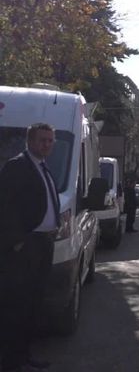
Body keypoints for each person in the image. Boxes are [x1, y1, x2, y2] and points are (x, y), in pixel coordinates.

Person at [0, 123, 59, 372]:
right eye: (42, 140)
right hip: (26, 247)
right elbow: (5, 206)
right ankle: (10, 361)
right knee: (17, 306)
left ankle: (24, 355)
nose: (47, 144)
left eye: (50, 141)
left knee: (33, 304)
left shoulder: (43, 167)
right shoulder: (17, 166)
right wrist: (16, 241)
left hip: (44, 245)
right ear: (30, 141)